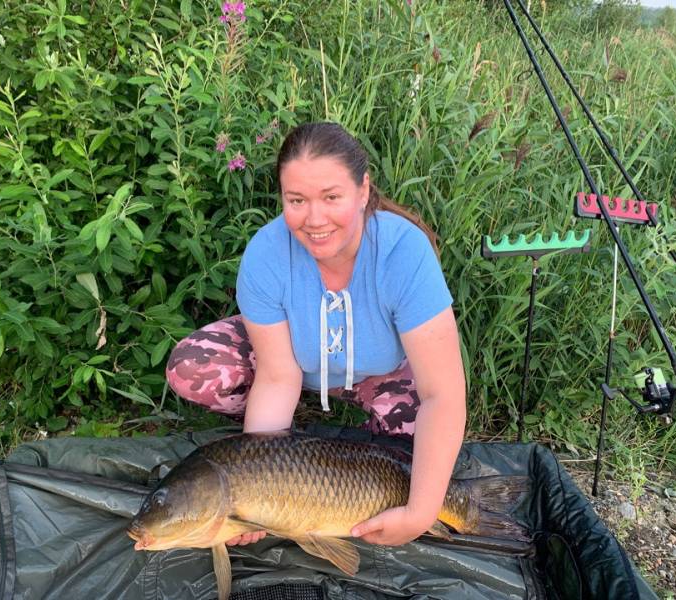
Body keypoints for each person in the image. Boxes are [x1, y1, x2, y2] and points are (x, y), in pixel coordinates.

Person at [165, 122, 466, 548]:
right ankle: (304, 437)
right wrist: (257, 482)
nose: (314, 219)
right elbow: (276, 375)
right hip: (297, 366)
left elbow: (444, 394)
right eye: (296, 200)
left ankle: (385, 444)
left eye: (331, 197)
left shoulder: (404, 253)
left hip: (381, 373)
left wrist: (420, 513)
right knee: (194, 365)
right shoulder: (267, 255)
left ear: (363, 191)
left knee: (427, 444)